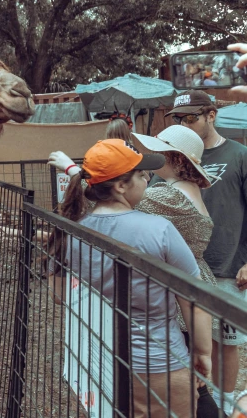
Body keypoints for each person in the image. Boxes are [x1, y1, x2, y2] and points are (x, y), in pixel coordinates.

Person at [48, 139, 213, 417]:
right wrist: (202, 351)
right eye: (140, 174)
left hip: (101, 363)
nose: (147, 178)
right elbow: (192, 296)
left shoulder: (73, 230)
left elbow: (60, 295)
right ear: (121, 186)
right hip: (160, 364)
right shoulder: (160, 230)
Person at [168, 87, 247, 412]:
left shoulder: (239, 154)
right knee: (200, 341)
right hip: (188, 269)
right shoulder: (176, 155)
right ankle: (207, 402)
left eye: (190, 118)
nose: (184, 124)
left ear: (211, 115)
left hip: (230, 267)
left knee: (228, 342)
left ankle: (227, 404)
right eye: (178, 119)